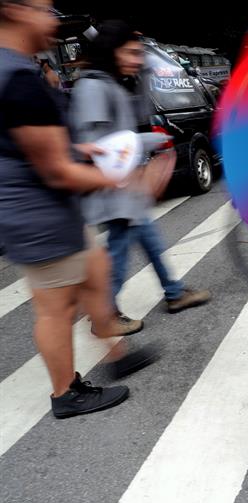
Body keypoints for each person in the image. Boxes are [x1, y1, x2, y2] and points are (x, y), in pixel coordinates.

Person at [0, 0, 157, 418]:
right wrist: (124, 179)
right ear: (14, 10)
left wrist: (81, 149)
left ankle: (115, 351)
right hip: (38, 213)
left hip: (43, 209)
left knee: (95, 272)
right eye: (45, 9)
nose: (53, 21)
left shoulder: (14, 70)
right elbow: (55, 171)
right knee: (55, 309)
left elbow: (30, 146)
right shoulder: (17, 79)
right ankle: (65, 393)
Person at [70, 20, 210, 334]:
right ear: (112, 50)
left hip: (125, 187)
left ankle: (174, 292)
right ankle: (105, 315)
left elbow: (117, 137)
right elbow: (97, 145)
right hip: (112, 189)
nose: (138, 60)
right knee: (118, 253)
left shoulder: (111, 81)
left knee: (149, 238)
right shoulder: (93, 86)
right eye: (131, 52)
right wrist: (151, 145)